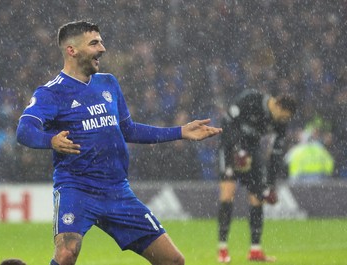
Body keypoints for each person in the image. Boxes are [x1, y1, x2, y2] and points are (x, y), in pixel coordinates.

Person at [16, 20, 222, 265]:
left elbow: (129, 130)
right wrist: (51, 140)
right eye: (94, 43)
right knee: (66, 253)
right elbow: (24, 130)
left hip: (117, 191)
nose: (102, 48)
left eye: (101, 42)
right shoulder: (51, 92)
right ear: (72, 50)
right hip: (76, 189)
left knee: (173, 261)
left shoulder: (108, 83)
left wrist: (180, 132)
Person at [216, 89, 296, 263]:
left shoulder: (280, 122)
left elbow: (275, 156)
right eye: (283, 116)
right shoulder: (251, 99)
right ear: (276, 105)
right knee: (228, 193)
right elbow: (226, 123)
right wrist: (237, 149)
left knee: (257, 197)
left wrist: (270, 186)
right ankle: (222, 248)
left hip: (252, 151)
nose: (283, 121)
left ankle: (255, 250)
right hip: (230, 148)